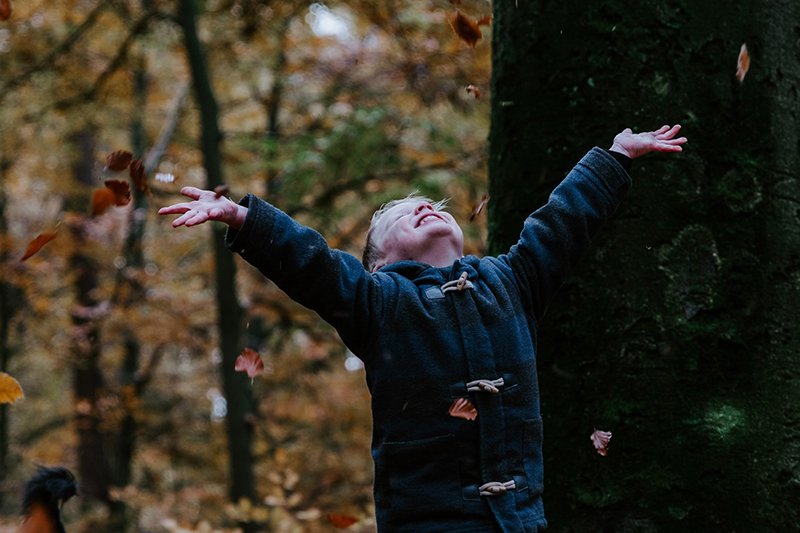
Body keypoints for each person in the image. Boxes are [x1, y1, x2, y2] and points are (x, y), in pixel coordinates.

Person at [159, 125, 687, 532]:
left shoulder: (510, 281)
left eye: (432, 205)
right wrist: (245, 218)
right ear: (379, 264)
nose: (425, 207)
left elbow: (560, 225)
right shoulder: (379, 302)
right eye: (402, 216)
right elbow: (314, 264)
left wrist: (614, 156)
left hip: (520, 523)